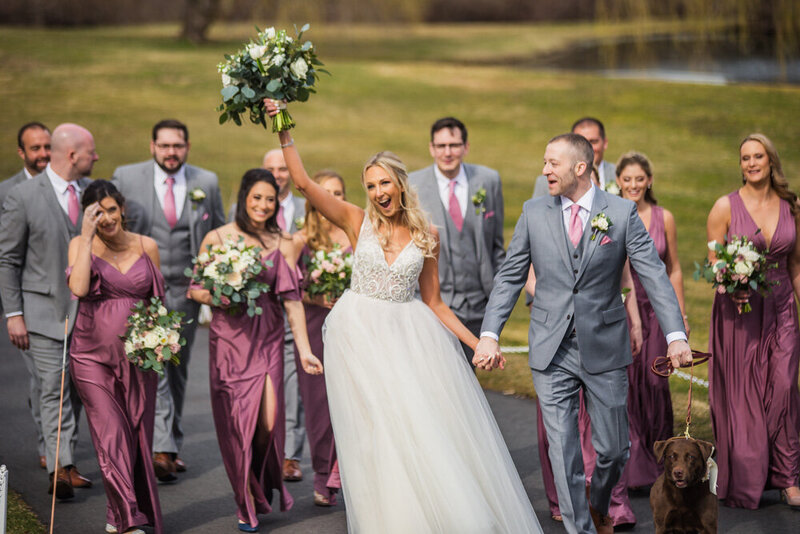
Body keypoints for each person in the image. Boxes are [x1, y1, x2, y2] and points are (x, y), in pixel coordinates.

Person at [264, 99, 542, 533]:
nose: (378, 193)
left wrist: (479, 342)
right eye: (371, 186)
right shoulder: (355, 221)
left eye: (384, 184)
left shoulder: (428, 234)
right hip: (358, 339)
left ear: (400, 183)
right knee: (376, 436)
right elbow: (301, 182)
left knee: (417, 429)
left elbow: (434, 302)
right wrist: (282, 126)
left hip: (409, 339)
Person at [476, 133, 691, 534]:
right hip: (550, 348)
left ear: (580, 167)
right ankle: (581, 529)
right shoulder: (533, 211)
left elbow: (655, 276)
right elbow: (509, 277)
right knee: (564, 451)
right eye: (544, 162)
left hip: (605, 347)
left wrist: (676, 333)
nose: (544, 171)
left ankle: (597, 503)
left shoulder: (623, 214)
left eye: (552, 163)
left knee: (614, 450)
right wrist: (490, 333)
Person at [188, 168, 321, 533]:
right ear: (244, 197)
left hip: (267, 337)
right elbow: (195, 288)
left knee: (267, 422)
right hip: (230, 338)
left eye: (270, 199)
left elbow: (293, 300)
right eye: (257, 197)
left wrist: (306, 351)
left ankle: (256, 486)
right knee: (238, 423)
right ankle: (244, 501)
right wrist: (218, 293)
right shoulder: (217, 237)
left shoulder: (283, 241)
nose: (263, 205)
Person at [112, 119, 225, 481]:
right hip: (142, 291)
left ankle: (169, 443)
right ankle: (158, 447)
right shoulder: (126, 178)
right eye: (165, 146)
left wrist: (210, 284)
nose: (171, 152)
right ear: (152, 147)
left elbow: (218, 232)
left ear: (187, 147)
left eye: (178, 146)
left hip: (186, 291)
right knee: (152, 367)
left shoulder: (205, 181)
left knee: (176, 369)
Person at [0, 123, 97, 498]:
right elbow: (7, 259)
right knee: (52, 388)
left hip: (86, 315)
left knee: (74, 391)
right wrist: (14, 315)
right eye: (91, 151)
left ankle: (65, 459)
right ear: (73, 155)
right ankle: (59, 467)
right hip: (40, 314)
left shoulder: (92, 192)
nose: (96, 157)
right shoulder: (23, 196)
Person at [706, 133, 800, 509]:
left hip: (781, 311)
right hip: (740, 312)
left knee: (783, 389)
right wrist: (730, 283)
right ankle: (748, 477)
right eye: (745, 157)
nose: (751, 163)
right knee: (745, 397)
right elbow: (714, 263)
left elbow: (795, 267)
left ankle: (788, 478)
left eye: (757, 156)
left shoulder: (791, 207)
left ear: (770, 159)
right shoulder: (724, 207)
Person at [67, 181, 164, 534]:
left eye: (110, 209)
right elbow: (78, 288)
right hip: (91, 357)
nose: (105, 218)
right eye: (96, 212)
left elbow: (158, 303)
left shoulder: (147, 246)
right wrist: (86, 235)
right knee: (110, 436)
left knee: (135, 438)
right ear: (87, 216)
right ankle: (127, 520)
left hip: (139, 359)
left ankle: (117, 513)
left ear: (121, 208)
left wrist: (161, 342)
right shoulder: (80, 245)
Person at [615, 151, 689, 489]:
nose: (633, 185)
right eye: (626, 179)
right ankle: (633, 468)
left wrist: (680, 317)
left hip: (659, 311)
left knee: (657, 384)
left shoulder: (664, 217)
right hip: (624, 308)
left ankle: (661, 464)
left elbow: (673, 268)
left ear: (649, 181)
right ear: (618, 181)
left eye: (639, 179)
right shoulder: (611, 215)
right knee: (629, 385)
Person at [408, 117, 505, 363]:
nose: (447, 152)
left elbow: (496, 243)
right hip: (434, 303)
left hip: (480, 303)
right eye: (441, 146)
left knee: (473, 378)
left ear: (465, 147)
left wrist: (497, 294)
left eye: (453, 145)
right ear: (431, 148)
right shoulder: (413, 185)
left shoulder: (488, 180)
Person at [288, 169, 349, 506]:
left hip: (353, 328)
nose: (333, 199)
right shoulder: (301, 240)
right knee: (319, 406)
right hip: (314, 327)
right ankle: (323, 476)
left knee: (355, 401)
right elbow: (289, 291)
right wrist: (316, 297)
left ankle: (347, 473)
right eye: (326, 192)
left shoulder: (355, 233)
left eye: (338, 193)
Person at [0, 121, 52, 470]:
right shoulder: (7, 192)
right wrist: (13, 313)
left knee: (62, 382)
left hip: (65, 302)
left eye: (48, 147)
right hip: (27, 304)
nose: (43, 154)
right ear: (22, 152)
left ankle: (60, 446)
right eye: (35, 149)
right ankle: (50, 447)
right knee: (41, 379)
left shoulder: (68, 186)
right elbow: (6, 257)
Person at [533, 117, 615, 198]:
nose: (587, 147)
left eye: (593, 141)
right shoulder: (544, 182)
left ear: (605, 143)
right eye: (581, 142)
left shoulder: (619, 175)